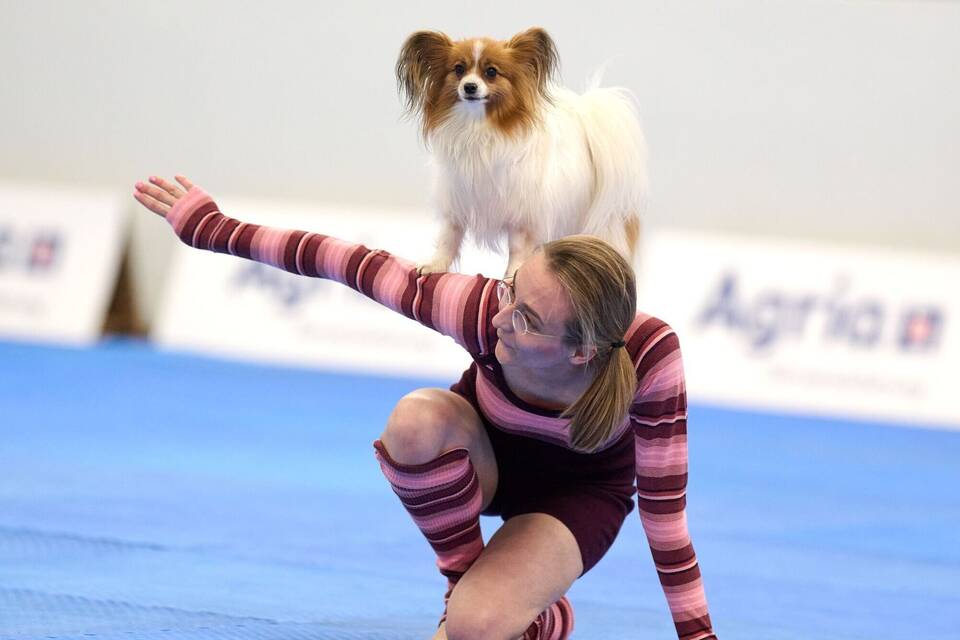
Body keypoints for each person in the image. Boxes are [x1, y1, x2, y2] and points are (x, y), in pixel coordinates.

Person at [134, 175, 718, 640]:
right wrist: (215, 227)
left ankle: (530, 618)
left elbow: (666, 520)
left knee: (475, 630)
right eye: (512, 290)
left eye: (527, 320)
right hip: (480, 459)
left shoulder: (651, 358)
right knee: (414, 420)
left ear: (584, 351)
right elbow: (346, 262)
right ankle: (462, 582)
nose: (499, 319)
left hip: (577, 500)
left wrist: (699, 639)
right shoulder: (479, 308)